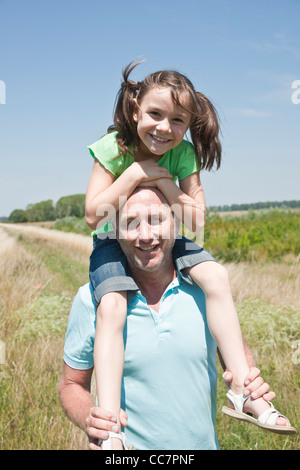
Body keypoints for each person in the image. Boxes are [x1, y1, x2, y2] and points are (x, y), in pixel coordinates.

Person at [84, 60, 295, 449]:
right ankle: (111, 426)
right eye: (155, 114)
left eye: (177, 121)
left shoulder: (182, 154)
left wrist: (164, 180)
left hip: (170, 235)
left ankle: (244, 392)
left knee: (216, 276)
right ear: (135, 110)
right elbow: (92, 214)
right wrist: (133, 174)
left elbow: (195, 219)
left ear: (187, 125)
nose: (165, 128)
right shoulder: (113, 147)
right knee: (111, 306)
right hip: (113, 240)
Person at [59, 188, 296, 450]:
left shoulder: (205, 289)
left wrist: (248, 382)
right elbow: (71, 385)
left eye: (157, 220)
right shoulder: (94, 300)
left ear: (177, 220)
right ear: (113, 230)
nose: (146, 236)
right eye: (130, 223)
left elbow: (233, 352)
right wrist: (89, 418)